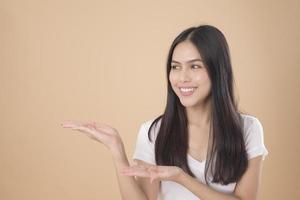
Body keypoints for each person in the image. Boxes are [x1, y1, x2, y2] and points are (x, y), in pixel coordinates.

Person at [61, 25, 268, 200]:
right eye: (175, 67)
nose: (182, 78)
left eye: (194, 66)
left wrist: (181, 177)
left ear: (218, 71)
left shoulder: (248, 129)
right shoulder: (153, 132)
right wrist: (117, 151)